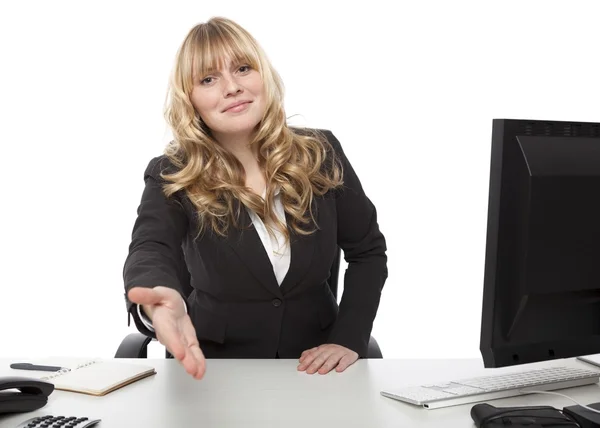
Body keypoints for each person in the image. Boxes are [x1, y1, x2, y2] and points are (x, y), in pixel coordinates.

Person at [123, 16, 388, 380]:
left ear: (263, 75)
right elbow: (151, 247)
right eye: (208, 79)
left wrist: (349, 337)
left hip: (316, 372)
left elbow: (368, 251)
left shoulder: (320, 152)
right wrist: (158, 302)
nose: (232, 87)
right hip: (216, 373)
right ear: (190, 99)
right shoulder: (172, 171)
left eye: (243, 68)